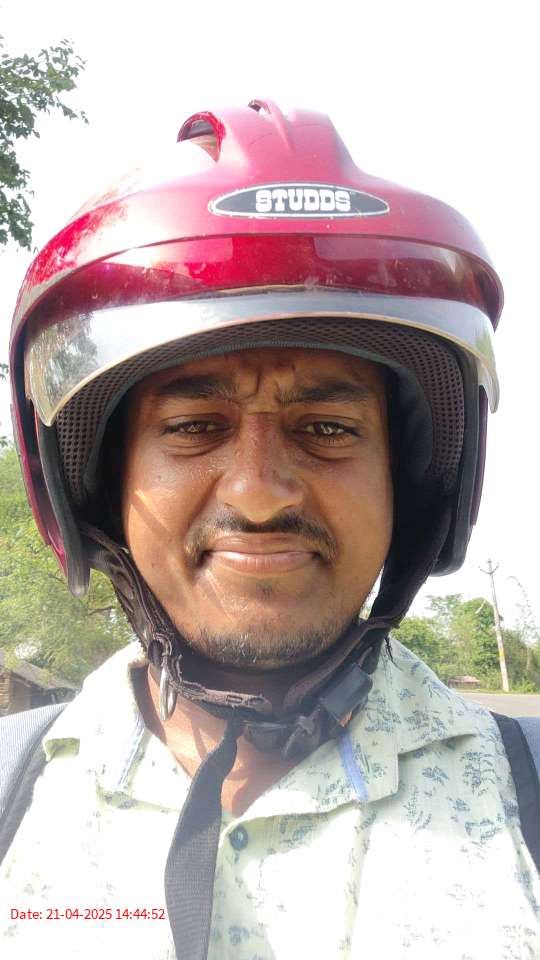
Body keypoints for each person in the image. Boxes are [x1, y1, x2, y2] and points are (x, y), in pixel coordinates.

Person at [2, 99, 539, 959]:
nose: (258, 496)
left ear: (408, 487)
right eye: (193, 427)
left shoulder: (525, 794)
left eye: (326, 429)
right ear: (101, 488)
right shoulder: (13, 795)